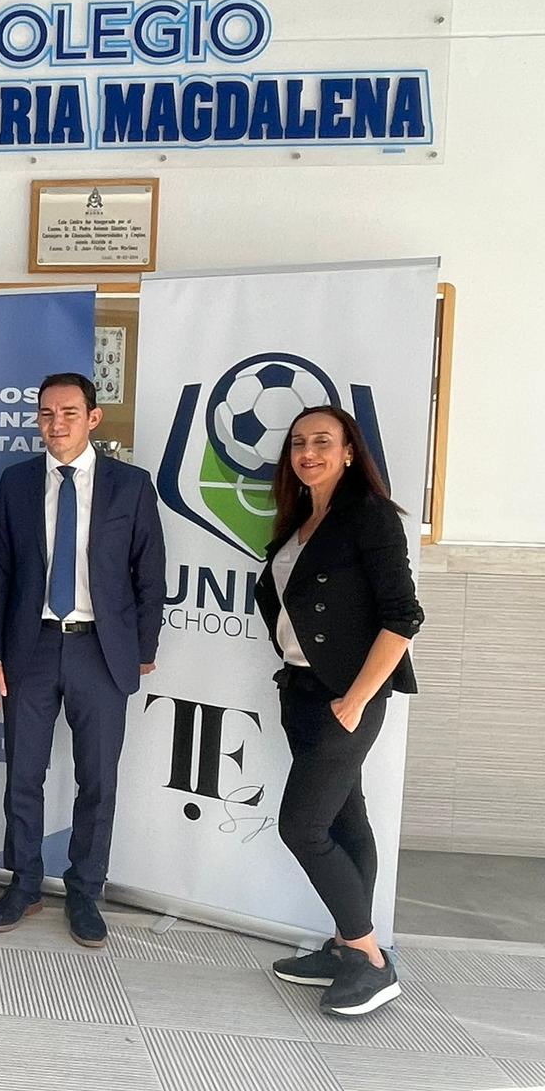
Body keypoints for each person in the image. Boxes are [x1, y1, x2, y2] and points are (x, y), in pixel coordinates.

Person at [0, 372, 165, 948]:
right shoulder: (15, 483)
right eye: (45, 414)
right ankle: (25, 882)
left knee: (98, 780)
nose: (55, 425)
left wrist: (143, 648)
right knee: (24, 776)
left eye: (67, 413)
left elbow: (150, 572)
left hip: (102, 652)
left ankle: (86, 891)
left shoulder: (130, 486)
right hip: (28, 647)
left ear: (92, 418)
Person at [255, 405, 422, 1017]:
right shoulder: (303, 519)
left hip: (346, 699)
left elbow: (402, 617)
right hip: (300, 691)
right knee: (346, 821)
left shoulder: (369, 517)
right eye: (298, 443)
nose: (308, 452)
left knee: (302, 827)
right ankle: (342, 943)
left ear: (350, 451)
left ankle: (370, 959)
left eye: (323, 441)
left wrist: (354, 699)